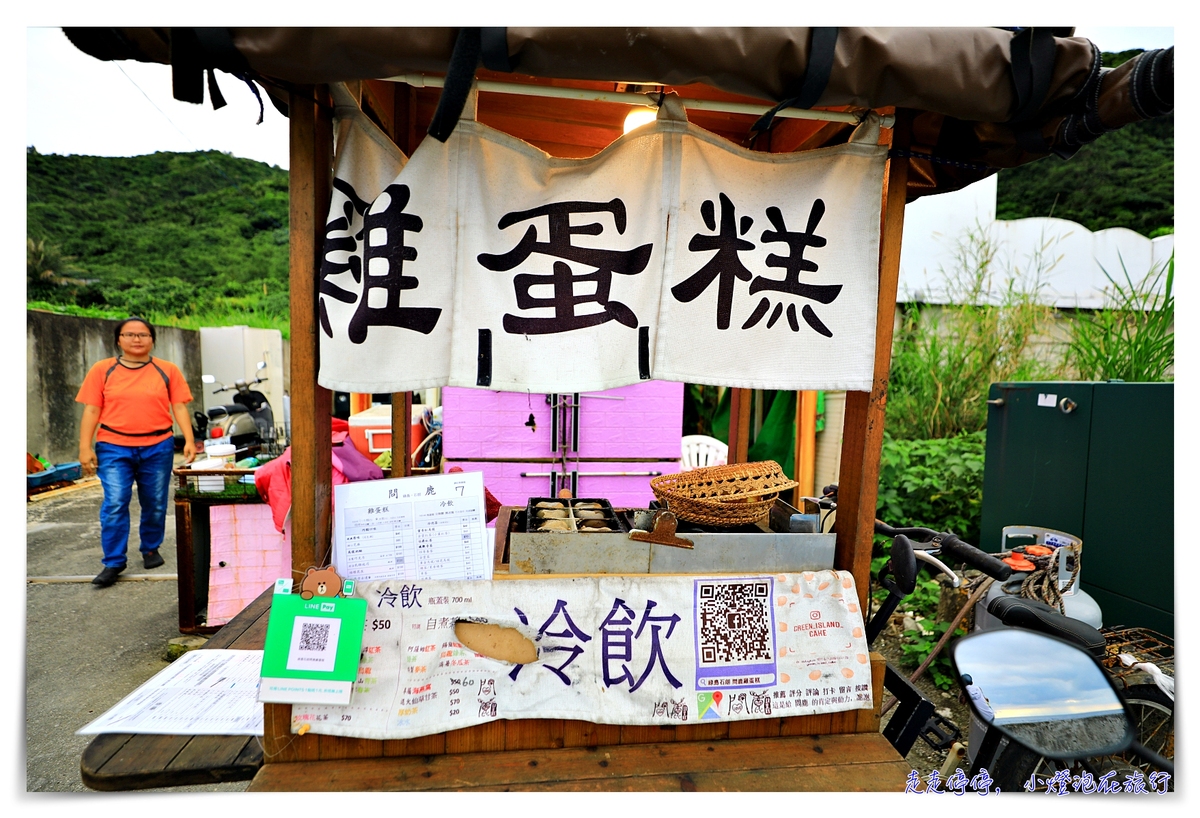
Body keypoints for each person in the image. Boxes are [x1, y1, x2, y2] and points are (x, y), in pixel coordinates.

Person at [77, 317, 196, 587]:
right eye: (129, 334)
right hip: (113, 446)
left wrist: (189, 440)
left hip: (158, 446)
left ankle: (150, 548)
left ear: (152, 340)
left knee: (154, 503)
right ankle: (114, 561)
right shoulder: (102, 370)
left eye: (143, 335)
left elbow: (179, 406)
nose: (137, 339)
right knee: (116, 502)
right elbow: (92, 410)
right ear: (118, 340)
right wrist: (84, 448)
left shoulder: (167, 370)